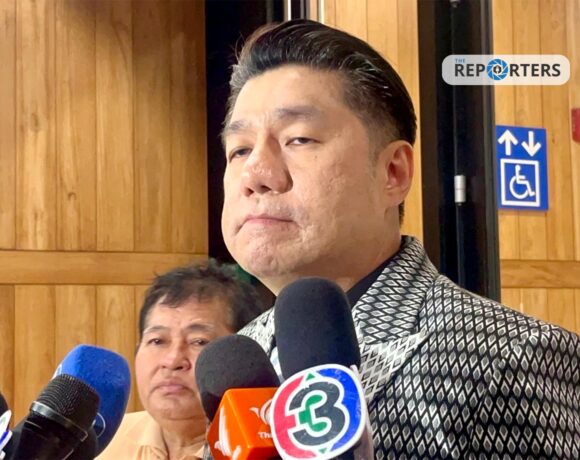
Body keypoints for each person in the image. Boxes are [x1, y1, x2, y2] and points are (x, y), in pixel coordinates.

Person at [220, 19, 580, 458]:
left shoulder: (511, 359)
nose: (255, 173)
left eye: (298, 139)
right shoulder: (240, 362)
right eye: (239, 149)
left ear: (393, 172)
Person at [98, 259, 264, 460]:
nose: (172, 361)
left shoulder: (274, 450)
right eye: (157, 341)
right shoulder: (103, 443)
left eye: (199, 341)